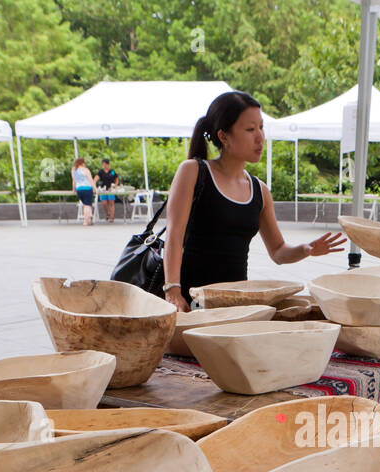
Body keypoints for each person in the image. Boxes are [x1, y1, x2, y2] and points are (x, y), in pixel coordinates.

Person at [161, 91, 345, 313]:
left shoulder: (260, 190)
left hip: (235, 306)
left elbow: (278, 251)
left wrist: (306, 249)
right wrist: (172, 291)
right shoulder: (193, 171)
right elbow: (174, 234)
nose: (260, 137)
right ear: (224, 136)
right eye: (250, 129)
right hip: (189, 305)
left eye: (261, 127)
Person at [72, 158, 96, 225]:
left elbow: (74, 181)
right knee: (87, 205)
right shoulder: (86, 170)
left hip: (79, 189)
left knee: (86, 203)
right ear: (82, 163)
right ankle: (85, 221)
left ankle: (90, 217)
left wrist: (74, 189)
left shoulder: (74, 170)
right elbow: (91, 180)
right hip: (87, 189)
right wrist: (95, 189)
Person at [95, 159, 119, 223]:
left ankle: (112, 217)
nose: (104, 166)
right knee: (104, 203)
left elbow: (116, 178)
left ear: (108, 164)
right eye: (103, 164)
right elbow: (96, 178)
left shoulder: (112, 171)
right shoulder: (101, 172)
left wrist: (115, 185)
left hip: (111, 189)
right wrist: (94, 183)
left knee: (111, 202)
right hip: (103, 189)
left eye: (106, 164)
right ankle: (107, 213)